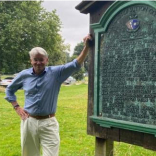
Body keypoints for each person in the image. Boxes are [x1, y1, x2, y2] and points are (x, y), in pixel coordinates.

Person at [5, 34, 92, 156]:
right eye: (35, 59)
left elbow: (75, 64)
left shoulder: (56, 73)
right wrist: (16, 107)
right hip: (28, 122)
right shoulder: (24, 75)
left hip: (48, 123)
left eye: (41, 59)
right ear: (31, 61)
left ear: (47, 60)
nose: (38, 62)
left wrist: (86, 48)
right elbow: (9, 90)